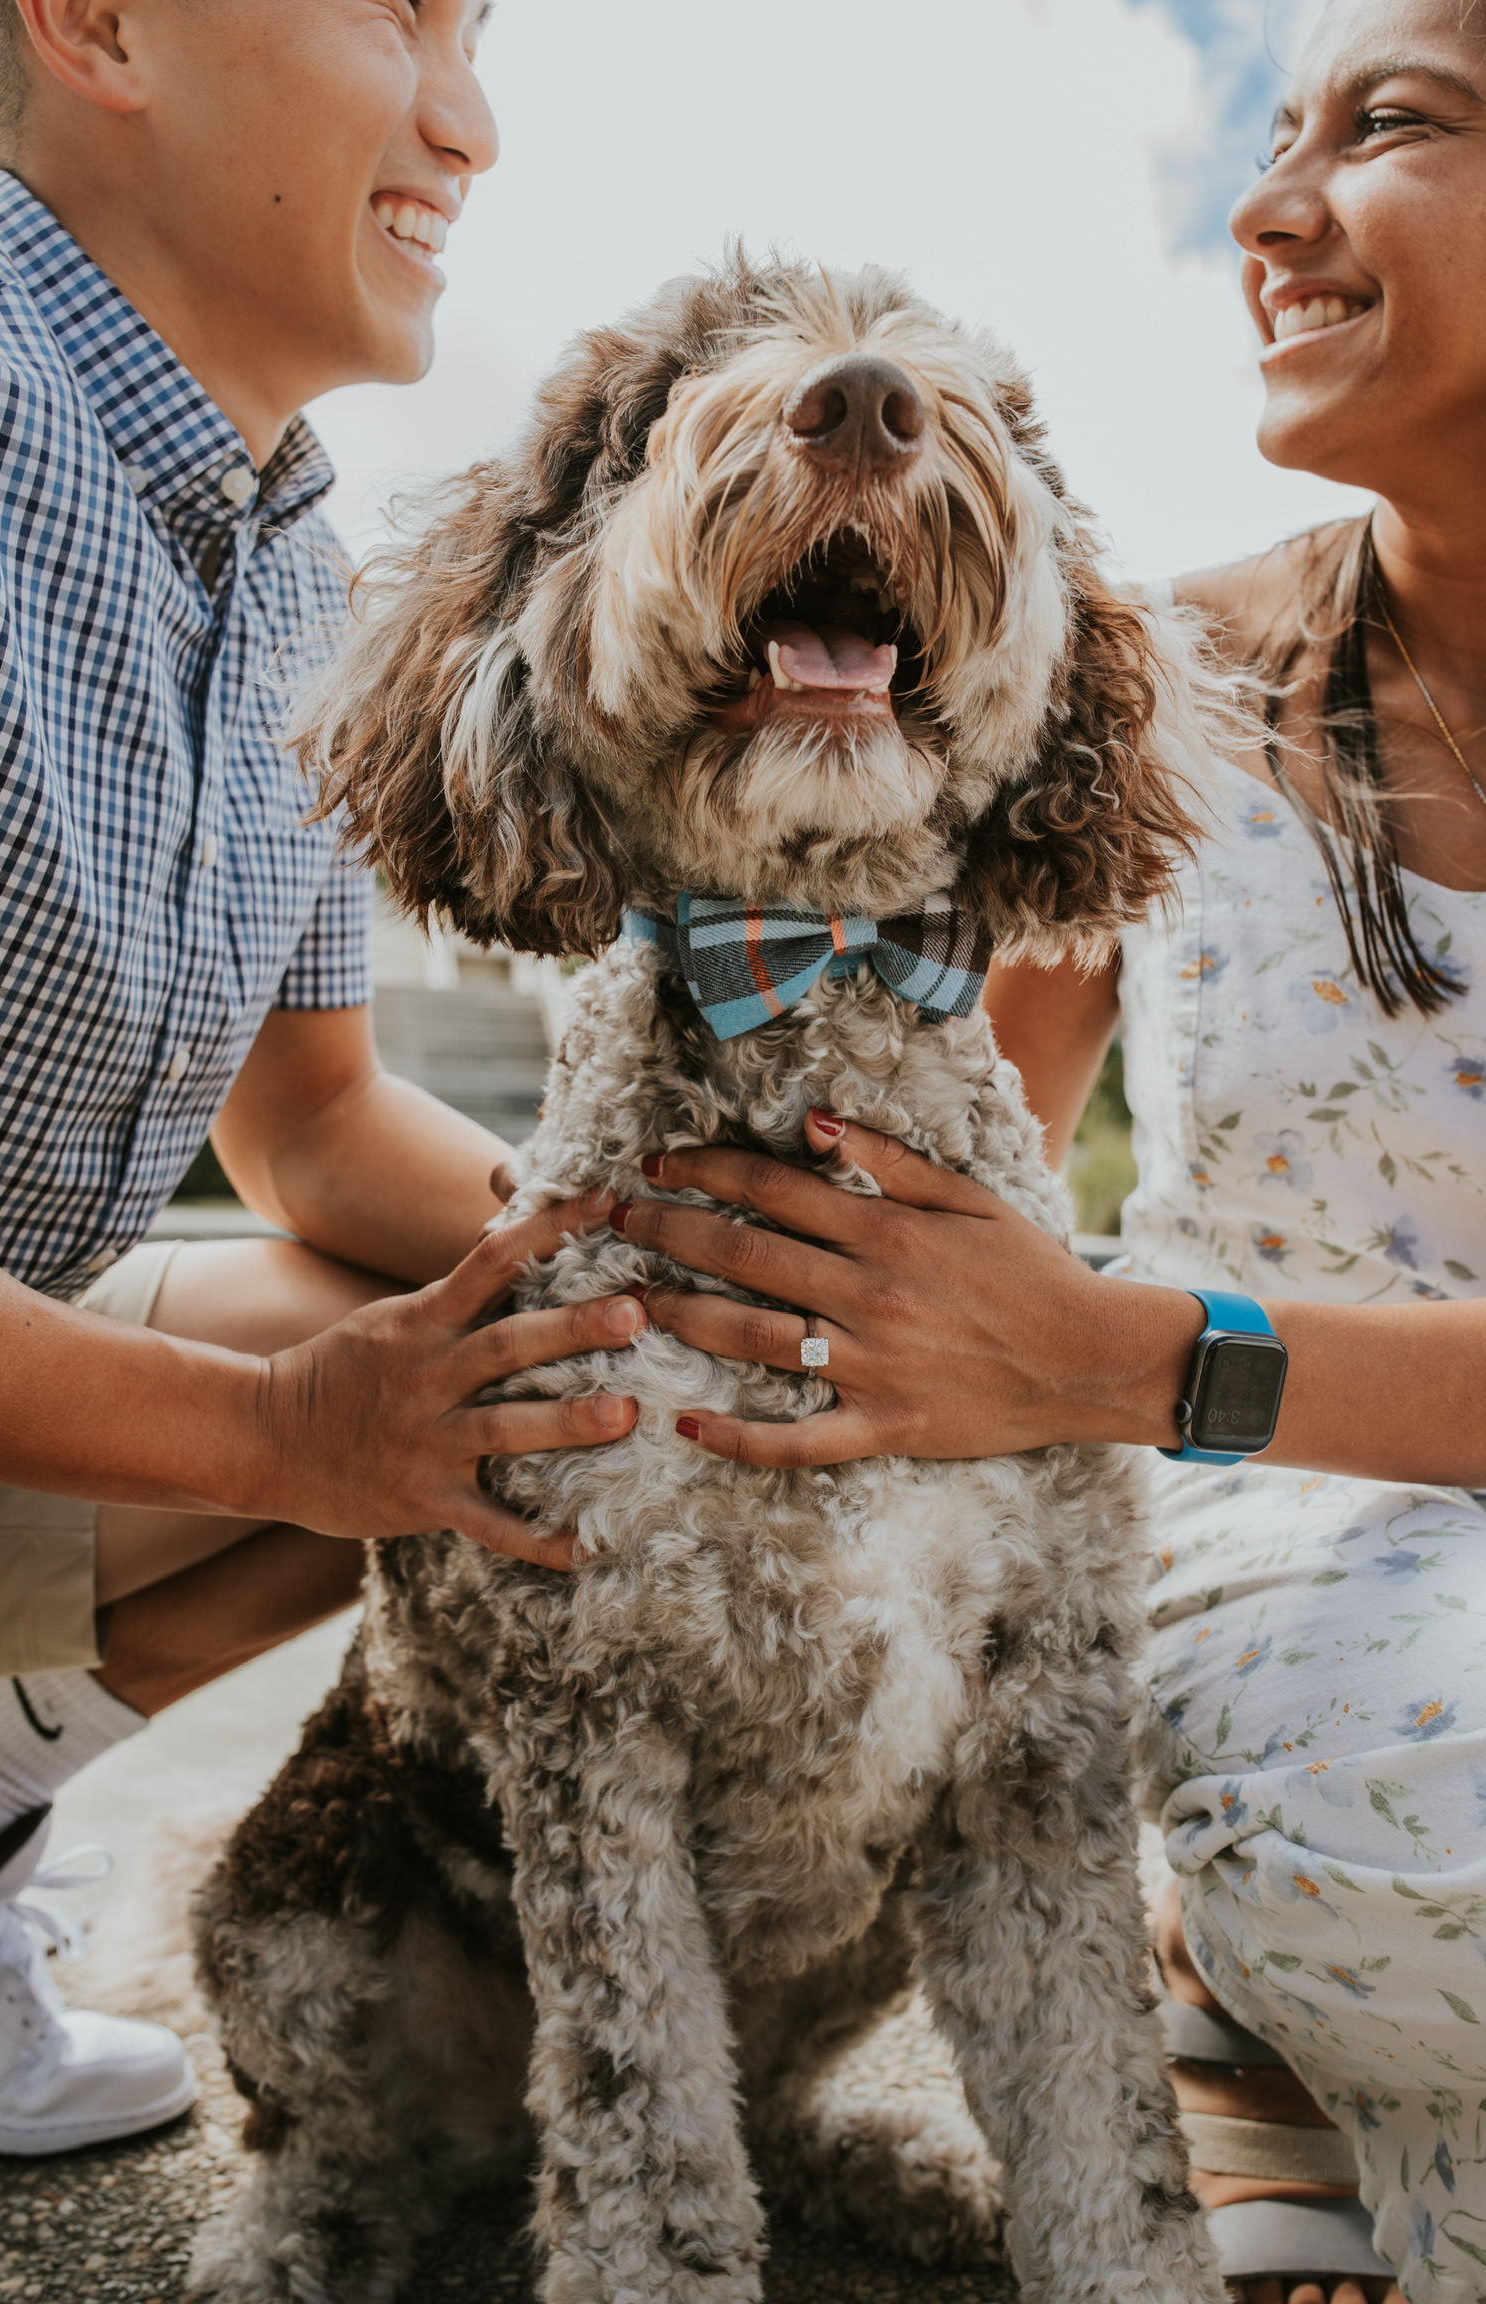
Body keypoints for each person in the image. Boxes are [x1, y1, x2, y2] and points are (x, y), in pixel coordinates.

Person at [603, 6, 1486, 2303]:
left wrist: (1115, 1347)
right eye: (1269, 133)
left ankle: (1295, 2065)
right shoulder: (1148, 684)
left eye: (1389, 123)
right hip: (1304, 1579)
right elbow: (936, 1177)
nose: (1269, 209)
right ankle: (1244, 1968)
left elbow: (1067, 1331)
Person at [0, 0, 648, 2158]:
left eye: (481, 37)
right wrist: (270, 1432)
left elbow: (314, 1126)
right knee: (365, 1412)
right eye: (395, 17)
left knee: (518, 1378)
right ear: (100, 29)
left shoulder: (293, 576)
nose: (472, 121)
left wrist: (667, 1255)